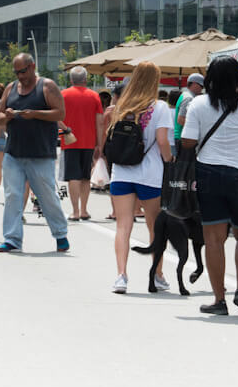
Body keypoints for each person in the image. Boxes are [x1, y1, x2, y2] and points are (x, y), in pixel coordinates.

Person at [181, 55, 238, 316]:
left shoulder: (198, 104)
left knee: (214, 240)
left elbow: (187, 143)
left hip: (208, 175)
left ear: (209, 79)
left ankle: (219, 299)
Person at [106, 62, 173, 294]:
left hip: (122, 172)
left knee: (123, 226)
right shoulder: (160, 107)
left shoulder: (122, 104)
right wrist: (169, 161)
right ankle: (157, 274)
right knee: (155, 226)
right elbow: (163, 141)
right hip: (150, 174)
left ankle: (121, 276)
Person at [0, 53, 69, 254]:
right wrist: (6, 116)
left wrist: (35, 114)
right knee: (12, 195)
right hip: (14, 153)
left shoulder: (47, 86)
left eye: (23, 71)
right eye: (16, 72)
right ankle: (12, 238)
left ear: (32, 66)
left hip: (41, 153)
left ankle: (60, 234)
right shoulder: (10, 88)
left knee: (47, 196)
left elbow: (60, 113)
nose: (20, 76)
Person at [61, 66, 104, 221]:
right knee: (85, 177)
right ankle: (84, 210)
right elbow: (99, 122)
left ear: (71, 80)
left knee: (73, 176)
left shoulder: (63, 95)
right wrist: (99, 144)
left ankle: (75, 211)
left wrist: (64, 131)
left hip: (69, 140)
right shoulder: (94, 96)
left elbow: (57, 117)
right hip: (89, 141)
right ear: (86, 79)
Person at [174, 72, 204, 142]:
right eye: (201, 86)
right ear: (194, 83)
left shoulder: (184, 94)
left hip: (180, 135)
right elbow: (181, 119)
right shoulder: (189, 98)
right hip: (183, 137)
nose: (202, 89)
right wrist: (197, 128)